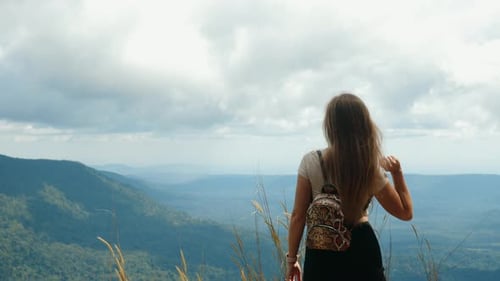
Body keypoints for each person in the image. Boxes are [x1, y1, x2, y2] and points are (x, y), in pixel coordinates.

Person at [286, 93, 413, 281]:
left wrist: (292, 260)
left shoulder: (311, 161)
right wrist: (397, 173)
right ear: (363, 125)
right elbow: (405, 212)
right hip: (361, 248)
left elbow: (298, 216)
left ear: (330, 126)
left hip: (321, 252)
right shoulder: (369, 168)